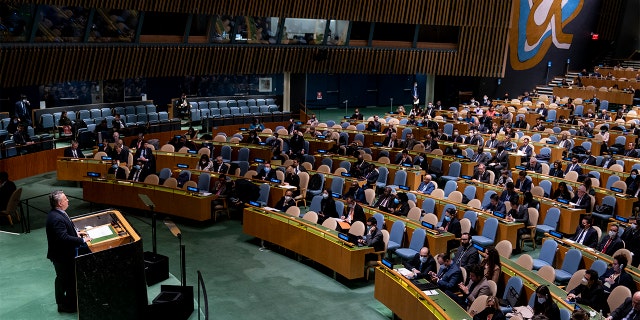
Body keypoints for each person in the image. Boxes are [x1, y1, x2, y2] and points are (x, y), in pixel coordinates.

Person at [46, 190, 90, 313]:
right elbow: (63, 238)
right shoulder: (56, 218)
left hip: (64, 253)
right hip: (62, 256)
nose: (68, 200)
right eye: (65, 199)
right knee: (64, 279)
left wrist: (77, 233)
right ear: (60, 203)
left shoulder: (59, 213)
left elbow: (65, 231)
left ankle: (67, 303)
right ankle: (64, 305)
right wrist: (81, 240)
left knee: (65, 279)